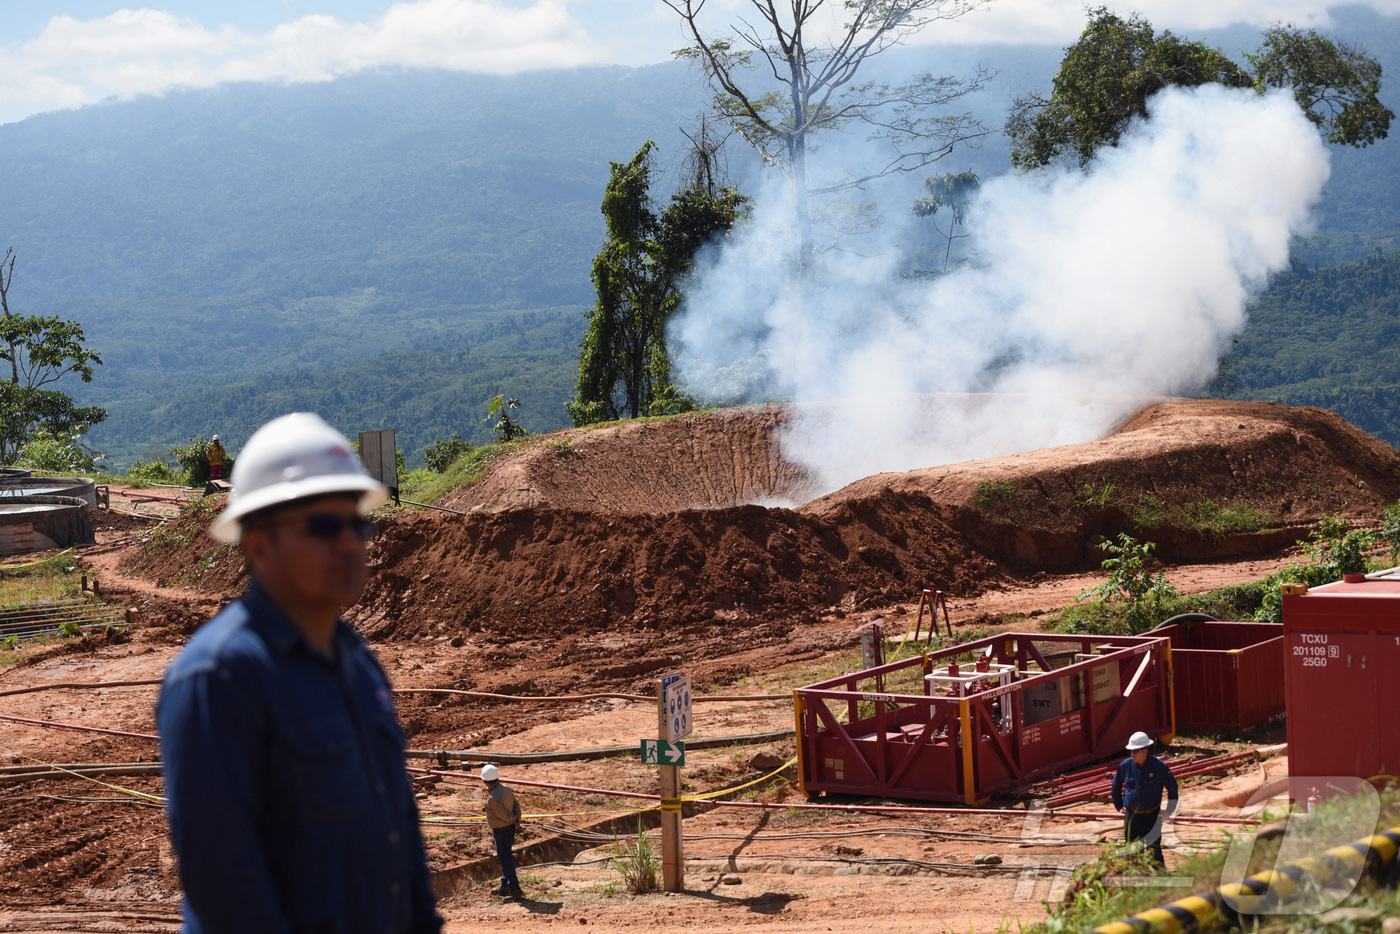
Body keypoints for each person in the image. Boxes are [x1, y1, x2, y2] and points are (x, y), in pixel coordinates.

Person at [157, 412, 442, 934]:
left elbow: (400, 838)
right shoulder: (220, 678)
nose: (351, 543)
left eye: (357, 522)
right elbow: (227, 888)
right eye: (324, 526)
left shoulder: (357, 661)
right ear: (259, 545)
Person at [1111, 731, 1179, 866]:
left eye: (1135, 751)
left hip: (1152, 817)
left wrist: (1168, 811)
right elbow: (1115, 785)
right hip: (1132, 818)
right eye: (1131, 751)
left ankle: (1159, 880)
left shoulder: (1159, 767)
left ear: (1145, 750)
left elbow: (1172, 788)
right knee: (1133, 852)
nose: (1132, 754)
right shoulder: (1125, 766)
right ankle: (1136, 880)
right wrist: (1119, 806)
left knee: (1154, 851)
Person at [481, 763, 524, 899]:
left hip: (501, 831)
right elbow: (516, 805)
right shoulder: (506, 789)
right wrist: (517, 820)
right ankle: (505, 885)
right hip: (509, 830)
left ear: (484, 781)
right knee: (506, 858)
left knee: (506, 860)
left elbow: (503, 816)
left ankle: (515, 888)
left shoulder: (493, 797)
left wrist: (512, 819)